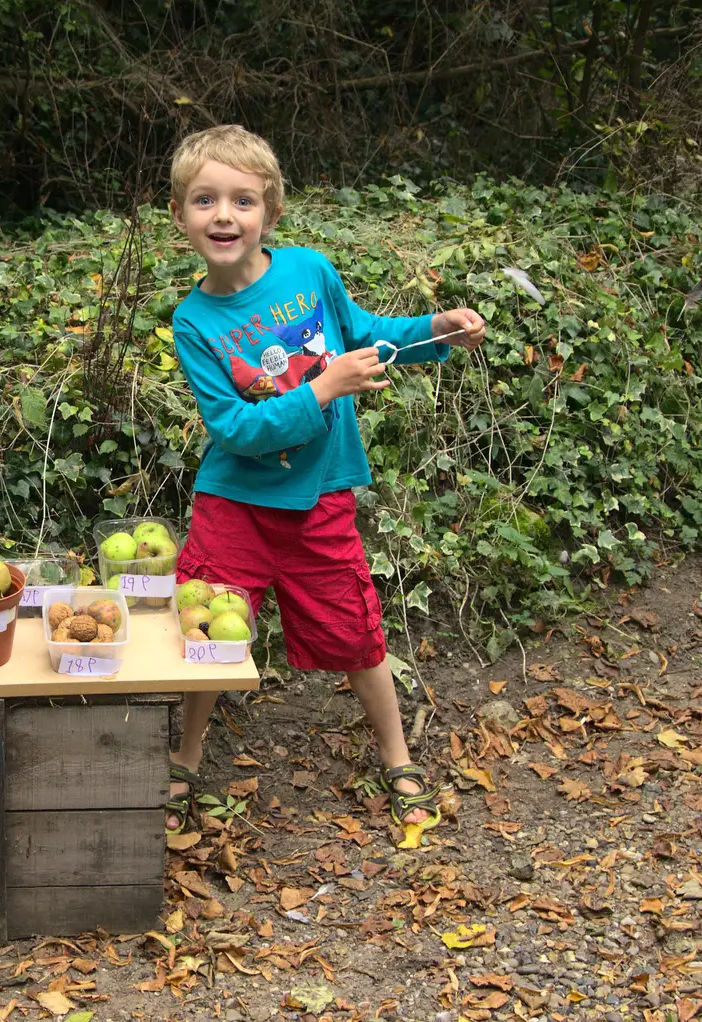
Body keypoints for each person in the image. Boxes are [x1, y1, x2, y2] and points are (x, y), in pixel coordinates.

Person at [162, 124, 485, 836]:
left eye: (243, 201)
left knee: (356, 627)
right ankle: (184, 760)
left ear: (270, 213)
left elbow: (366, 333)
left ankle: (396, 757)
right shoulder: (195, 321)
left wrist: (435, 329)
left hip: (318, 501)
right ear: (182, 215)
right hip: (235, 506)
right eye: (205, 200)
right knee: (208, 631)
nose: (224, 215)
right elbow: (237, 432)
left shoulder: (310, 271)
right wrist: (324, 389)